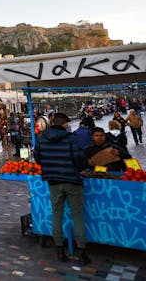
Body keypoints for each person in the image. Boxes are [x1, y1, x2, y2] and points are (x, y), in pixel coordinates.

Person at [33, 113, 90, 264]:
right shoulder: (70, 138)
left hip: (53, 181)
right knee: (77, 216)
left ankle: (60, 250)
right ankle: (82, 253)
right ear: (64, 124)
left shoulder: (42, 138)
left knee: (57, 215)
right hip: (72, 180)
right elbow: (79, 160)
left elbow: (38, 157)